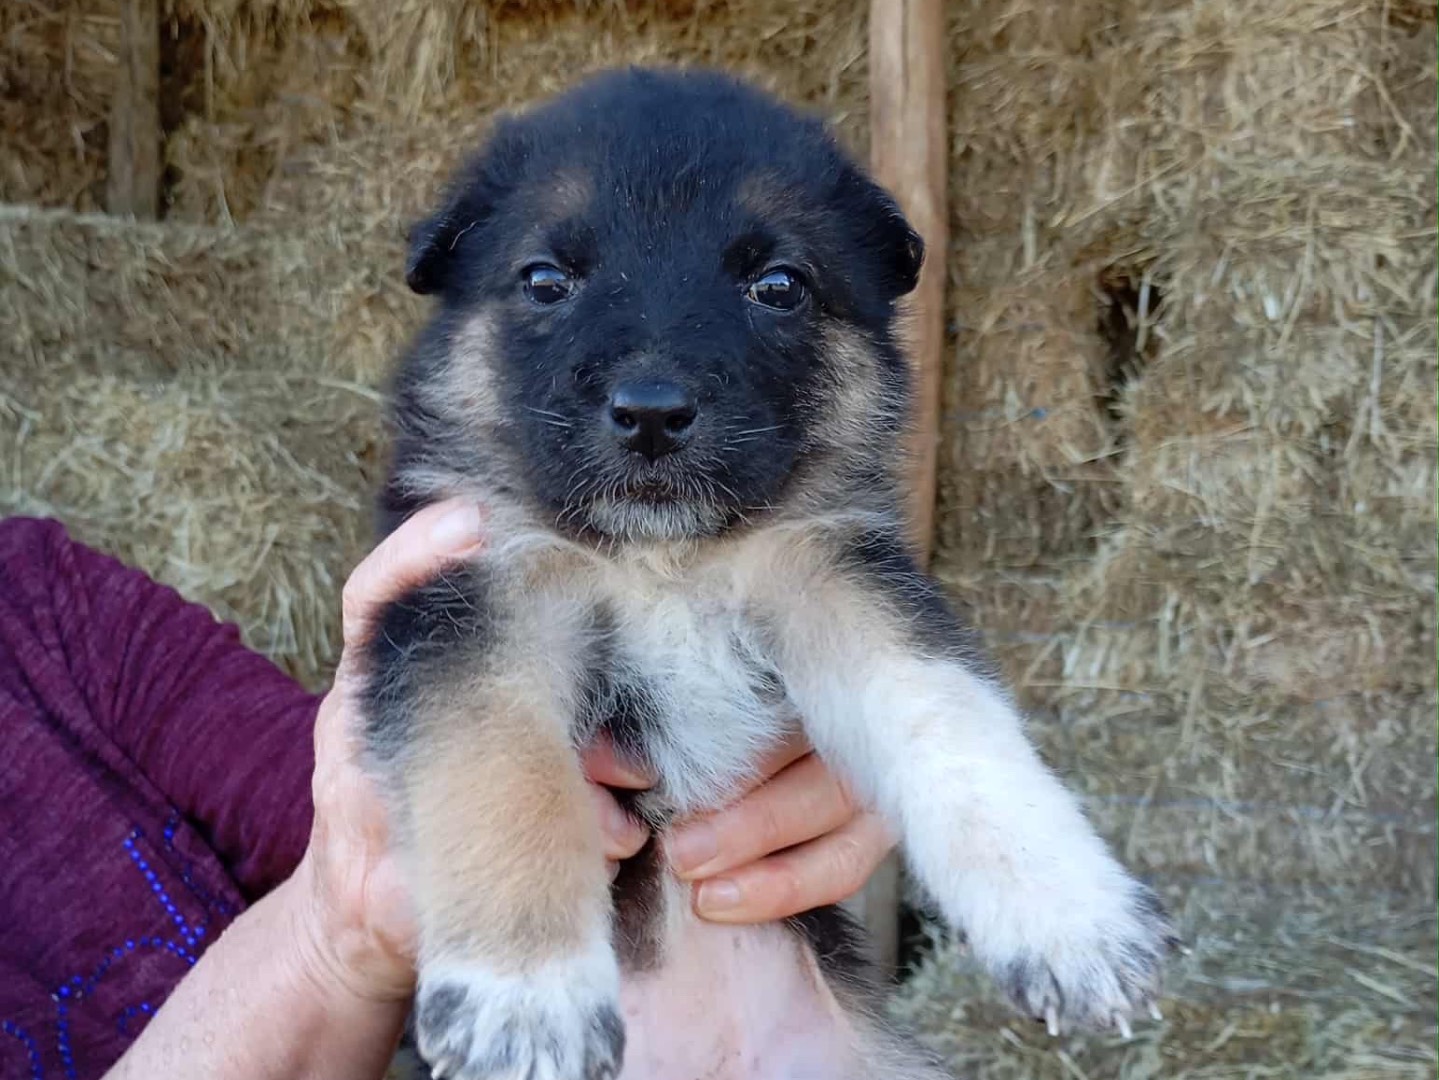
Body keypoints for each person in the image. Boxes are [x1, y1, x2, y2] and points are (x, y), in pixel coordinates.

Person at [0, 499, 894, 1080]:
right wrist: (332, 931)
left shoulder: (35, 601)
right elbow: (360, 890)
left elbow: (324, 795)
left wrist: (739, 736)